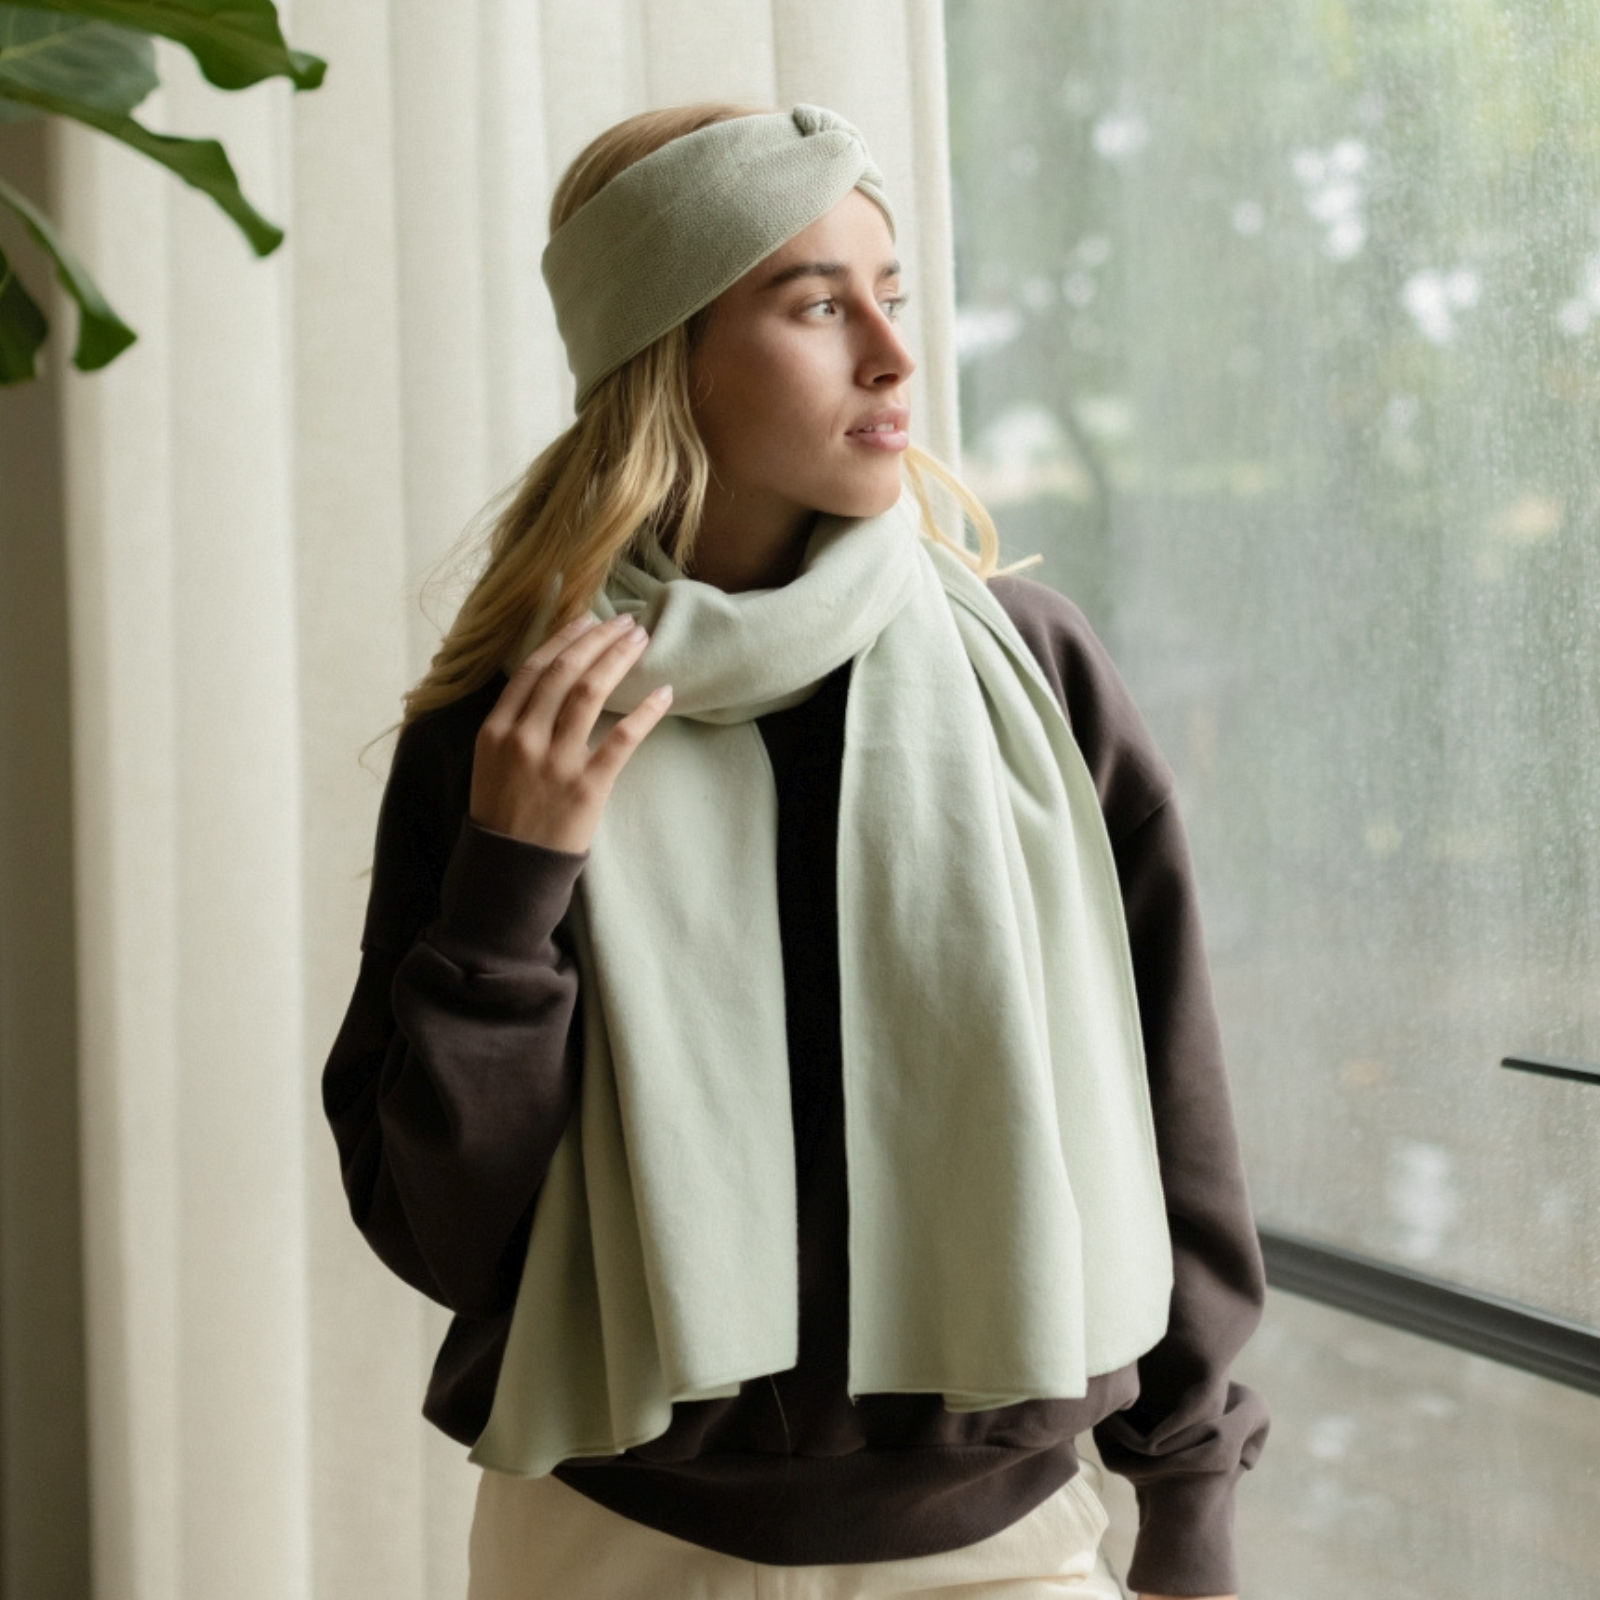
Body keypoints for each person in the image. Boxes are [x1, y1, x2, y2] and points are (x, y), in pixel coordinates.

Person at [322, 100, 1269, 1600]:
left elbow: (1176, 1105)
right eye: (817, 305)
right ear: (666, 354)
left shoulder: (1033, 674)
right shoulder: (521, 727)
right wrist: (514, 889)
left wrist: (1191, 1497)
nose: (893, 355)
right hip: (614, 1552)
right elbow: (441, 1233)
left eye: (890, 294)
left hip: (1004, 1553)